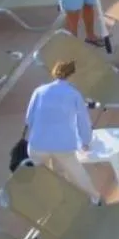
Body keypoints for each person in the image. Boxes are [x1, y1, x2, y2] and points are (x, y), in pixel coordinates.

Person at [24, 59, 100, 201]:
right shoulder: (74, 94)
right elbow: (83, 122)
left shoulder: (39, 91)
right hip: (62, 145)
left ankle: (55, 202)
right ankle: (95, 198)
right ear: (72, 75)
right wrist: (85, 141)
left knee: (46, 179)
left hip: (37, 144)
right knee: (77, 174)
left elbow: (29, 119)